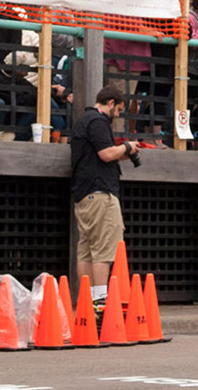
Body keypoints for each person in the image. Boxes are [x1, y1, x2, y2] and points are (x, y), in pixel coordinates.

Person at [69, 86, 141, 309]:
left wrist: (123, 153)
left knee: (87, 250)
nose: (118, 115)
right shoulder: (97, 121)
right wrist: (127, 147)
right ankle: (100, 303)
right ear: (110, 103)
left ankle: (86, 302)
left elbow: (100, 156)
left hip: (83, 195)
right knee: (102, 250)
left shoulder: (83, 120)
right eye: (118, 110)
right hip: (100, 193)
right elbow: (106, 153)